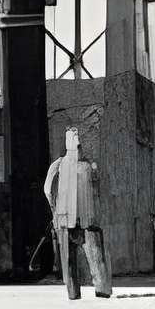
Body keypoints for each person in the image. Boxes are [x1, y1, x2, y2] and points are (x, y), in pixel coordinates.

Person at [42, 125, 113, 300]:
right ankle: (75, 292)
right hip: (68, 220)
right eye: (73, 138)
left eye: (77, 139)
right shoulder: (59, 165)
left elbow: (102, 189)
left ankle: (101, 290)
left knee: (94, 255)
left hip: (86, 220)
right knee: (69, 260)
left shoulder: (89, 165)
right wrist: (55, 210)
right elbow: (48, 189)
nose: (76, 142)